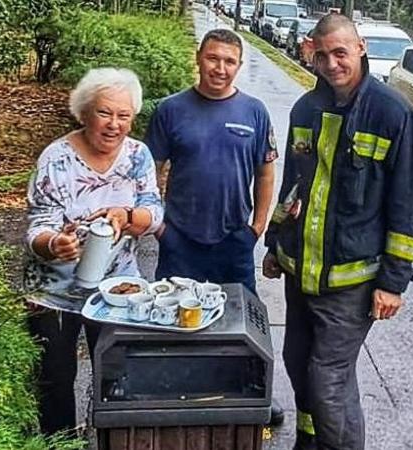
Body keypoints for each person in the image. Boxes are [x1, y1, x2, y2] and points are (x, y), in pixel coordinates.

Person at [262, 13, 413, 450]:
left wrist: (393, 282)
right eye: (323, 54)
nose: (333, 63)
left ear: (360, 49)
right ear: (312, 55)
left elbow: (409, 203)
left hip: (351, 281)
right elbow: (292, 184)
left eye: (341, 52)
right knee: (297, 363)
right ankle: (309, 439)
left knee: (328, 378)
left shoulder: (394, 114)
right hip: (302, 273)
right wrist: (276, 244)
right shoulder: (305, 109)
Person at [145, 28, 283, 426]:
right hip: (180, 240)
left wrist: (256, 227)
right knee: (172, 320)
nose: (220, 68)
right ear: (199, 58)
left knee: (245, 326)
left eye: (229, 61)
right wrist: (159, 225)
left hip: (233, 241)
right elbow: (148, 171)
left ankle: (254, 396)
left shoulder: (254, 111)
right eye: (213, 58)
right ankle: (172, 391)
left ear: (239, 65)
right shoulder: (171, 109)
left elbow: (266, 171)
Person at [23, 67, 163, 435]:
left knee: (118, 377)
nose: (114, 124)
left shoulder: (138, 156)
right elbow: (38, 226)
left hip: (117, 291)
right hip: (54, 293)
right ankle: (61, 441)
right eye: (104, 113)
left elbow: (155, 212)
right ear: (84, 112)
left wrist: (128, 215)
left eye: (123, 115)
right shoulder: (56, 159)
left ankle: (111, 440)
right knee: (54, 380)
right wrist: (54, 244)